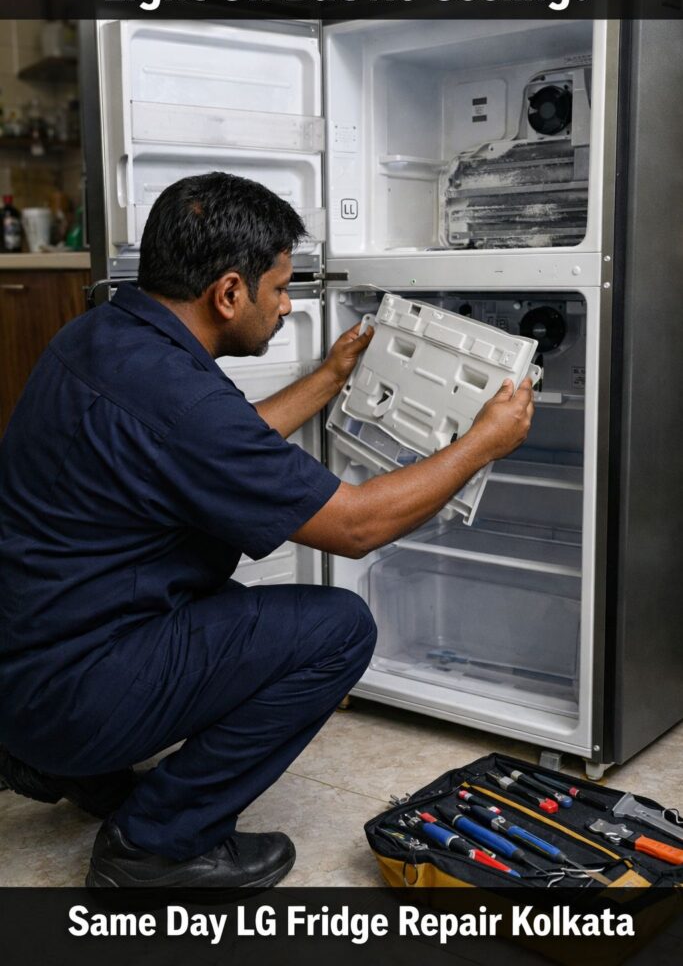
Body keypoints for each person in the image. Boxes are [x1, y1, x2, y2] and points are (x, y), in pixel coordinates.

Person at [0, 172, 534, 888]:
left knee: (187, 600)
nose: (286, 306)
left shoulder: (98, 334)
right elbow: (355, 525)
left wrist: (330, 375)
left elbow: (208, 449)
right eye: (279, 289)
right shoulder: (184, 403)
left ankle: (67, 759)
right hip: (71, 689)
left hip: (25, 670)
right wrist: (482, 443)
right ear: (227, 293)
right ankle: (155, 846)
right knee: (336, 628)